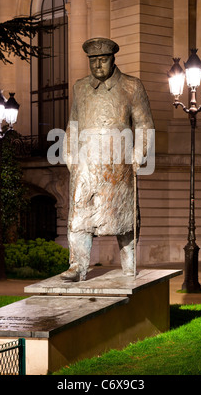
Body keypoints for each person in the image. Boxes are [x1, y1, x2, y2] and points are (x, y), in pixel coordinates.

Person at [60, 37, 154, 281]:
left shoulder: (132, 86)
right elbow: (73, 123)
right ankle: (77, 265)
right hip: (86, 163)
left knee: (124, 215)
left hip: (118, 162)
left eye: (103, 59)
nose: (98, 65)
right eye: (93, 60)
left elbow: (144, 125)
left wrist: (137, 155)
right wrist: (69, 153)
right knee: (80, 214)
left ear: (113, 59)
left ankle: (129, 261)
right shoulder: (80, 88)